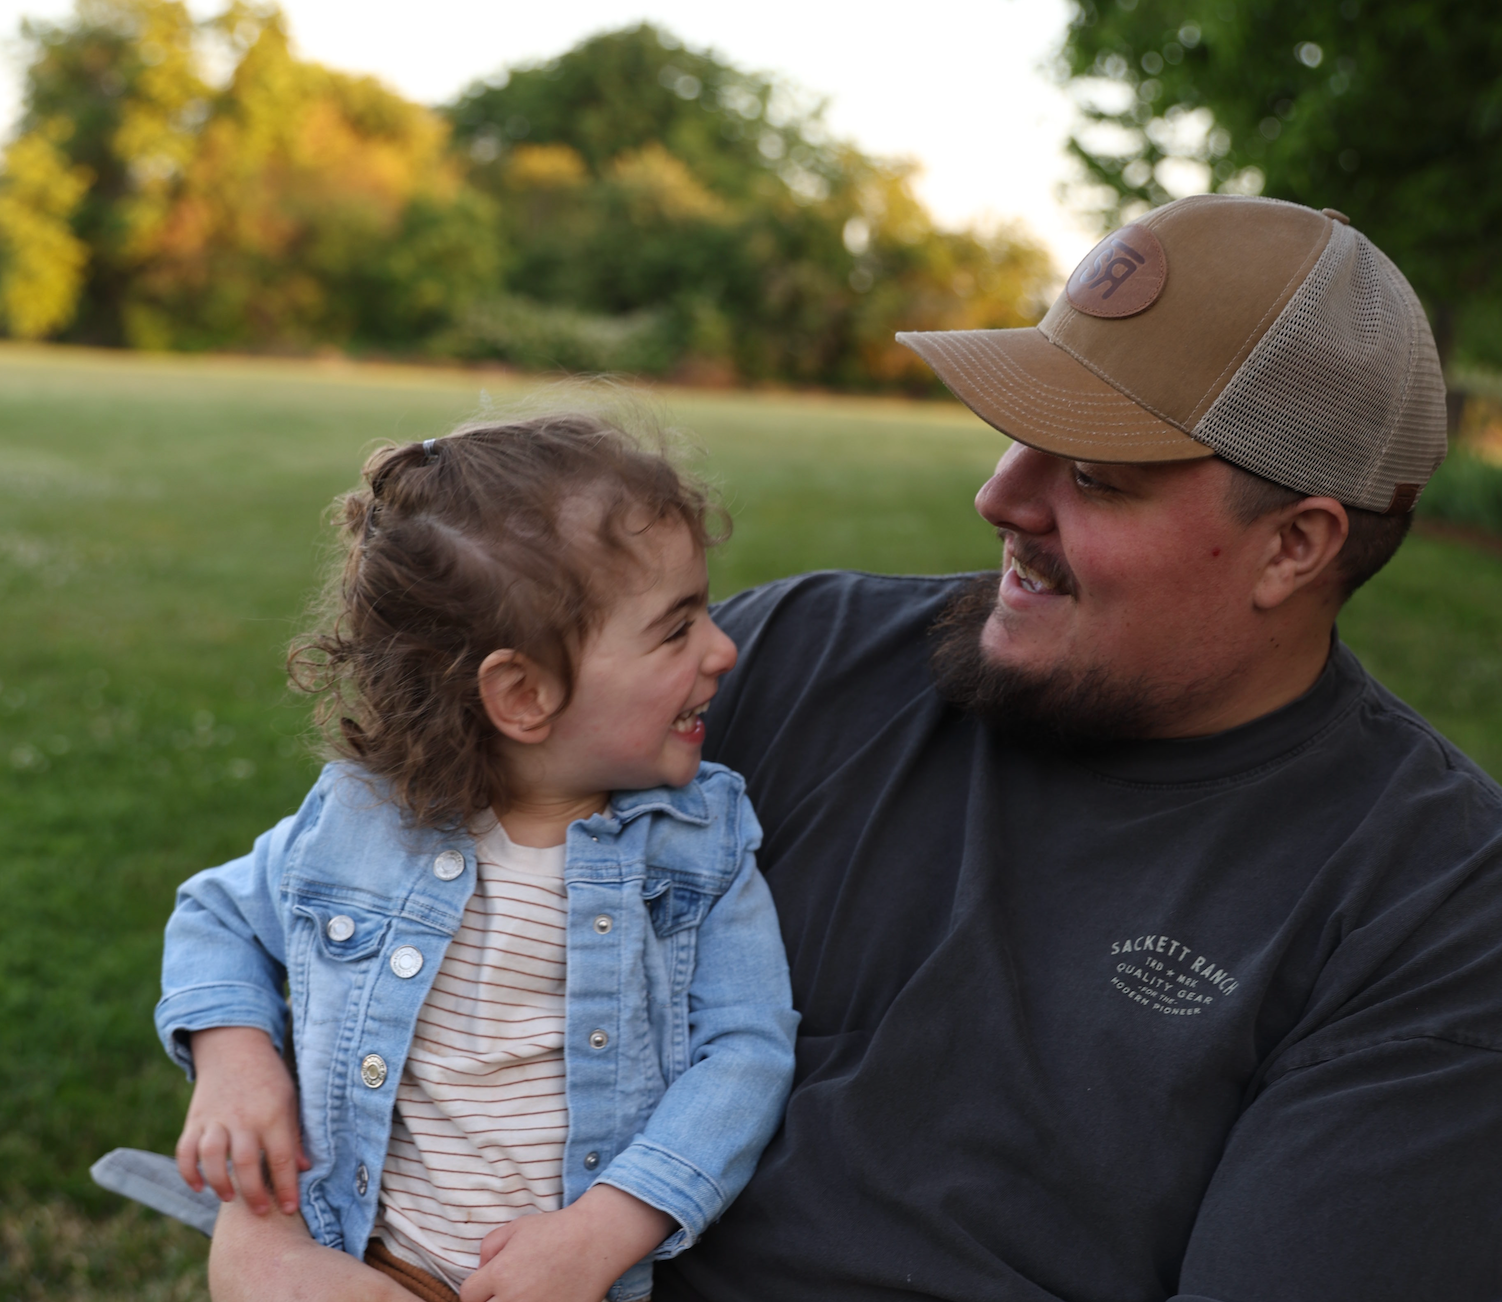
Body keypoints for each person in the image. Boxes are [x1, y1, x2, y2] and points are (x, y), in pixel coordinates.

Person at [654, 195, 1502, 1302]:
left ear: (1293, 547)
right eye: (1021, 434)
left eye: (1096, 475)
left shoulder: (1431, 907)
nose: (999, 496)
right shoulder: (789, 657)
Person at [154, 416, 798, 1302]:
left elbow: (746, 1050)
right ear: (522, 694)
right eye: (676, 630)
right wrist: (234, 1061)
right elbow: (219, 914)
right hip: (368, 1252)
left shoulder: (697, 843)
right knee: (261, 1264)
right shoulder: (365, 818)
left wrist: (604, 1229)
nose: (723, 650)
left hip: (569, 1274)